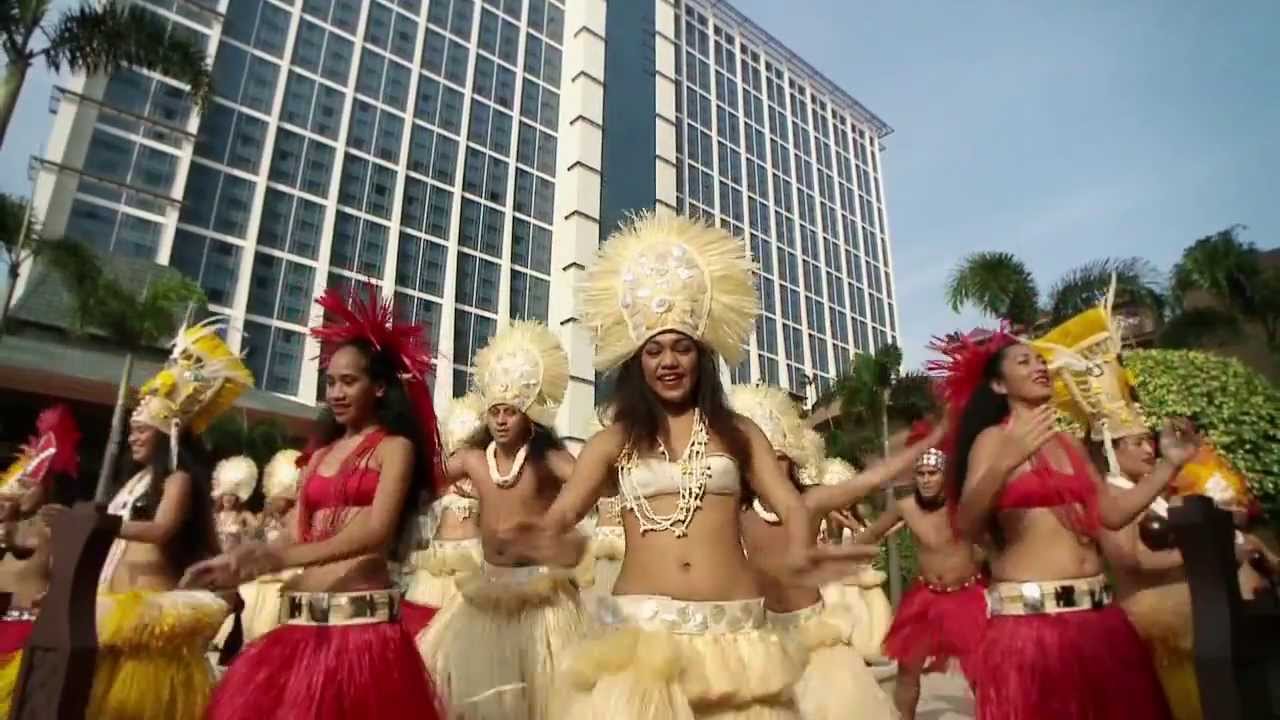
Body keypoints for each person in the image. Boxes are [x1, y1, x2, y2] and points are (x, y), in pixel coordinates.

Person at [510, 212, 874, 719]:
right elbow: (564, 514)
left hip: (735, 640)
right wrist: (531, 542)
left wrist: (801, 546)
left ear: (702, 358)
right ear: (637, 363)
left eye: (683, 348)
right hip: (640, 642)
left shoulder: (738, 433)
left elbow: (791, 505)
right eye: (654, 350)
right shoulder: (612, 442)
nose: (669, 361)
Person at [184, 285, 444, 719]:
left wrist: (281, 559)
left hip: (362, 634)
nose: (336, 392)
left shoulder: (394, 448)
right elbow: (293, 532)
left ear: (380, 387)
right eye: (331, 382)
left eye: (349, 381)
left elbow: (375, 530)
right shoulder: (320, 455)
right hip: (301, 627)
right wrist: (240, 560)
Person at [937, 323, 1196, 720]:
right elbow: (967, 525)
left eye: (1041, 360)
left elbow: (1111, 514)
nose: (1039, 366)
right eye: (1024, 361)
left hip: (1099, 620)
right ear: (999, 385)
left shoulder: (1069, 444)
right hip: (1032, 627)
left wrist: (1169, 464)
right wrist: (1005, 462)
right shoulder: (993, 440)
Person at [78, 319, 250, 719]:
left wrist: (102, 524)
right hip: (114, 611)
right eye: (131, 430)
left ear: (166, 434)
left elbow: (162, 529)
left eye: (141, 430)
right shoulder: (134, 483)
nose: (133, 437)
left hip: (151, 618)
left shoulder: (178, 479)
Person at [418, 320, 584, 720]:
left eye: (511, 412)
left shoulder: (548, 459)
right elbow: (424, 482)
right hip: (487, 590)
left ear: (530, 417)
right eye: (494, 412)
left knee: (544, 698)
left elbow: (590, 482)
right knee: (476, 697)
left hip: (540, 599)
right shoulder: (473, 460)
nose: (501, 420)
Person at [733, 383, 929, 720]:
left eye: (780, 459)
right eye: (761, 461)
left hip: (815, 637)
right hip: (763, 637)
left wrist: (920, 448)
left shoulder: (811, 501)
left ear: (793, 460)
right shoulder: (739, 512)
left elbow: (866, 482)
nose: (772, 469)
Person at [862, 422, 987, 720]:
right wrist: (836, 554)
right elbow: (871, 534)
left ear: (945, 475)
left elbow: (992, 538)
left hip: (966, 597)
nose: (926, 479)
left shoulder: (963, 505)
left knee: (981, 674)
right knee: (907, 672)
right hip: (924, 598)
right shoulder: (906, 506)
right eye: (921, 473)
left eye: (933, 473)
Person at [0, 404, 81, 716]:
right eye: (19, 483)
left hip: (26, 632)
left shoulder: (50, 527)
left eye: (29, 484)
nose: (21, 491)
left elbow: (23, 546)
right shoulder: (13, 525)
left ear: (47, 486)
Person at [404, 394, 485, 613]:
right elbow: (420, 493)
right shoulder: (440, 479)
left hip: (473, 560)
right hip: (438, 562)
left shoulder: (485, 476)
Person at [238, 448, 303, 642]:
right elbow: (257, 537)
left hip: (289, 574)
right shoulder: (266, 519)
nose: (272, 502)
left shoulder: (297, 518)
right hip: (265, 576)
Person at [213, 455, 259, 550]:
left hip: (236, 554)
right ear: (221, 496)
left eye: (232, 495)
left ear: (237, 498)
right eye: (226, 494)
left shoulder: (244, 514)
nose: (228, 498)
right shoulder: (215, 516)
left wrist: (244, 532)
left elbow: (258, 530)